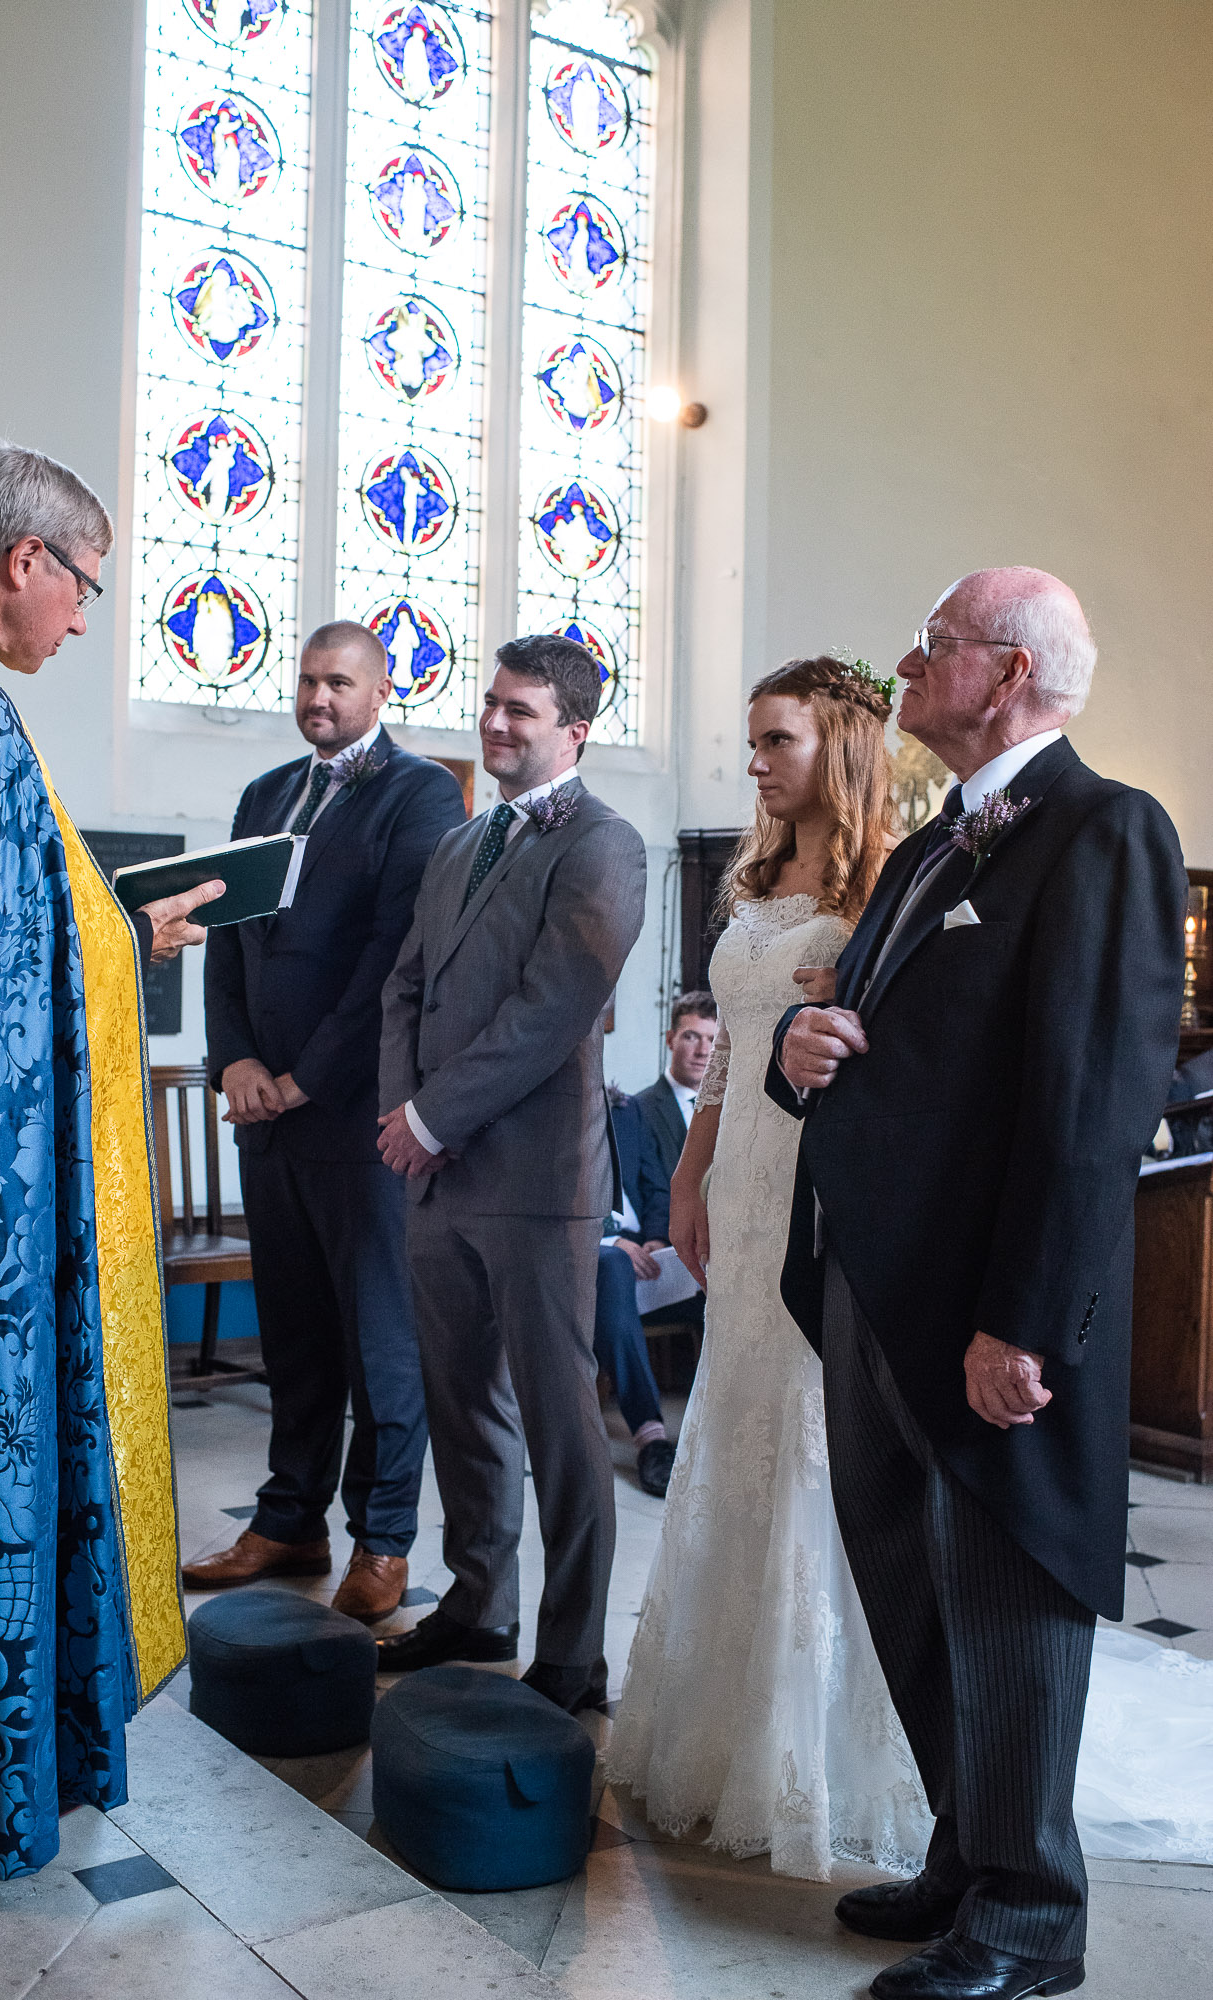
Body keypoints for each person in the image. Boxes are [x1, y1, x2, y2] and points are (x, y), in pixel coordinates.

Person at [770, 570, 1186, 2000]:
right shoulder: (928, 847)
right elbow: (867, 1038)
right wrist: (799, 1053)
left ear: (1006, 672)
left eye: (932, 643)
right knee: (908, 1581)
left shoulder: (1103, 828)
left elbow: (1090, 1100)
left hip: (983, 1304)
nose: (904, 663)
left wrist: (1024, 1320)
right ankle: (966, 1854)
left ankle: (1028, 1915)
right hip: (874, 1284)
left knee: (1006, 1603)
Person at [0, 446, 217, 1898]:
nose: (82, 618)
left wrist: (103, 925)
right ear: (25, 560)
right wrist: (130, 942)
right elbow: (2, 985)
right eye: (84, 585)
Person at [607, 657, 926, 1874]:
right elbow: (733, 1056)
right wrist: (691, 1172)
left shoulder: (888, 877)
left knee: (809, 1429)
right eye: (751, 741)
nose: (754, 762)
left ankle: (812, 1745)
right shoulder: (752, 880)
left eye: (776, 739)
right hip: (736, 1180)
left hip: (821, 1189)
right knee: (732, 1419)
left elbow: (904, 1054)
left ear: (838, 743)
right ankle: (717, 1713)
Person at [374, 633, 647, 1713]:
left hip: (536, 1179)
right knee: (461, 1406)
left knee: (560, 1425)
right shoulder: (460, 842)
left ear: (573, 731)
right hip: (437, 1174)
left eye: (520, 710)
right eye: (491, 703)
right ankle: (479, 1602)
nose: (494, 722)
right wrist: (405, 1117)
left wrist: (433, 1115)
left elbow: (554, 1007)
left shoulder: (604, 844)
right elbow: (405, 987)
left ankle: (573, 1654)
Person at [191, 623, 466, 1619]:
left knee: (379, 1342)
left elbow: (394, 955)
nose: (319, 697)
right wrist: (235, 1060)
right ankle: (288, 1520)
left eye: (339, 682)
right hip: (264, 1115)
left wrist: (307, 1076)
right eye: (308, 680)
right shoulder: (264, 795)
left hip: (355, 1115)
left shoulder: (419, 793)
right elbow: (224, 934)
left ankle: (381, 1539)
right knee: (296, 1335)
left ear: (381, 690)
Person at [595, 994, 717, 1497]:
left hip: (653, 1250)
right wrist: (611, 1239)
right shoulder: (641, 1106)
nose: (702, 1049)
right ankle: (651, 1438)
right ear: (670, 1040)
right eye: (691, 1036)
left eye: (711, 1040)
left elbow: (653, 1185)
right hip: (601, 1251)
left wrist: (656, 1238)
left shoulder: (624, 1112)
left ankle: (722, 1432)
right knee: (612, 1267)